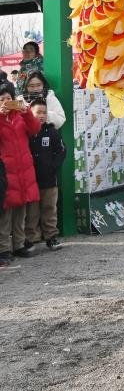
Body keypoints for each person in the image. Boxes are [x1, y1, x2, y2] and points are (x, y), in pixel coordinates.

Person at [0, 83, 42, 262]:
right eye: (1, 99)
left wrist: (26, 112)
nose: (6, 102)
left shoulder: (20, 116)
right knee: (5, 214)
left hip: (23, 170)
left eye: (8, 98)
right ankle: (3, 249)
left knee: (21, 210)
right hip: (6, 171)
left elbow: (35, 129)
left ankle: (19, 245)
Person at [26, 99, 66, 251]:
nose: (41, 116)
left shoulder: (52, 131)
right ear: (31, 112)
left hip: (49, 180)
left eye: (44, 112)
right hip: (30, 180)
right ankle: (30, 239)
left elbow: (61, 151)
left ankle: (51, 237)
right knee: (31, 211)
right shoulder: (27, 131)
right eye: (38, 113)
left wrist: (53, 167)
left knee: (49, 209)